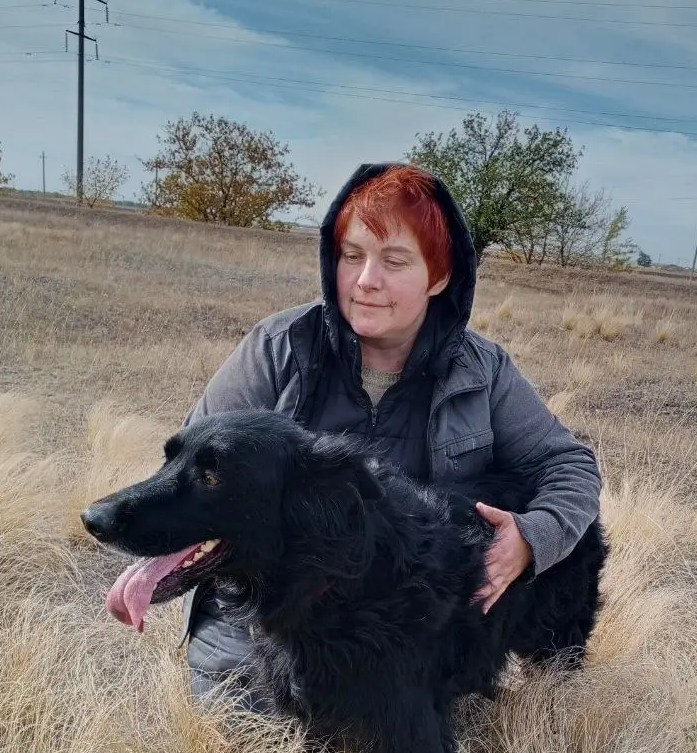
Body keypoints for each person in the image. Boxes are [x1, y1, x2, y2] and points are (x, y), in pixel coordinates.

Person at [180, 162, 602, 704]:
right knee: (253, 729)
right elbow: (193, 474)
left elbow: (569, 467)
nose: (365, 281)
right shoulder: (278, 349)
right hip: (269, 614)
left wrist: (532, 537)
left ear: (440, 276)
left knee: (403, 749)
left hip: (403, 620)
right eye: (351, 256)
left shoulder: (484, 370)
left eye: (395, 261)